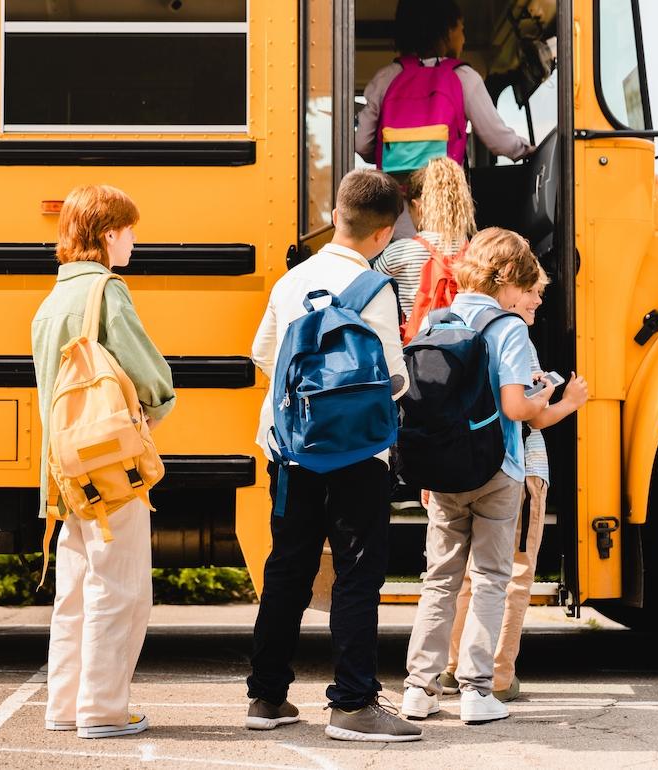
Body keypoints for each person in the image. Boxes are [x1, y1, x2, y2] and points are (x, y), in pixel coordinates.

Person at [246, 169, 421, 743]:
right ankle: (351, 704)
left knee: (287, 570)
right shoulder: (374, 288)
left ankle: (266, 696)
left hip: (291, 449)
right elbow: (394, 378)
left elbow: (262, 353)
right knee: (355, 574)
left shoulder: (291, 281)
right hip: (357, 456)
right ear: (383, 234)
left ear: (337, 216)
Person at [31, 184, 176, 739]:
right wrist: (159, 410)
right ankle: (103, 709)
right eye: (129, 230)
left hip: (64, 469)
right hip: (108, 466)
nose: (134, 240)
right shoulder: (107, 292)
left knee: (75, 588)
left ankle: (65, 704)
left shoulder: (51, 302)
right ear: (108, 233)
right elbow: (149, 374)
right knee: (120, 588)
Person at [401, 227, 552, 724]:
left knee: (439, 580)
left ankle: (419, 690)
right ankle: (475, 690)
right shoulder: (508, 328)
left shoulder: (437, 318)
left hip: (443, 471)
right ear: (507, 279)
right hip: (497, 470)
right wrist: (551, 397)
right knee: (490, 578)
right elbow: (515, 407)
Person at [440, 266, 589, 702]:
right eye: (531, 292)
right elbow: (531, 415)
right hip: (519, 468)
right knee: (513, 574)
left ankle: (454, 667)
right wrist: (568, 401)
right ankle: (498, 675)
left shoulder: (453, 326)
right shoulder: (514, 338)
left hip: (462, 466)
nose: (538, 302)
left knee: (466, 576)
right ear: (506, 288)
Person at [356, 0, 533, 238]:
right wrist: (528, 151)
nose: (463, 37)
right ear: (448, 31)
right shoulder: (463, 77)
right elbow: (499, 142)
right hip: (445, 215)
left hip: (395, 217)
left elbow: (362, 144)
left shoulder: (385, 78)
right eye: (461, 28)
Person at [371, 155, 476, 319]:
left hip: (413, 342)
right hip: (463, 341)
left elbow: (369, 289)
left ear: (417, 207)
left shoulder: (400, 252)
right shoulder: (474, 252)